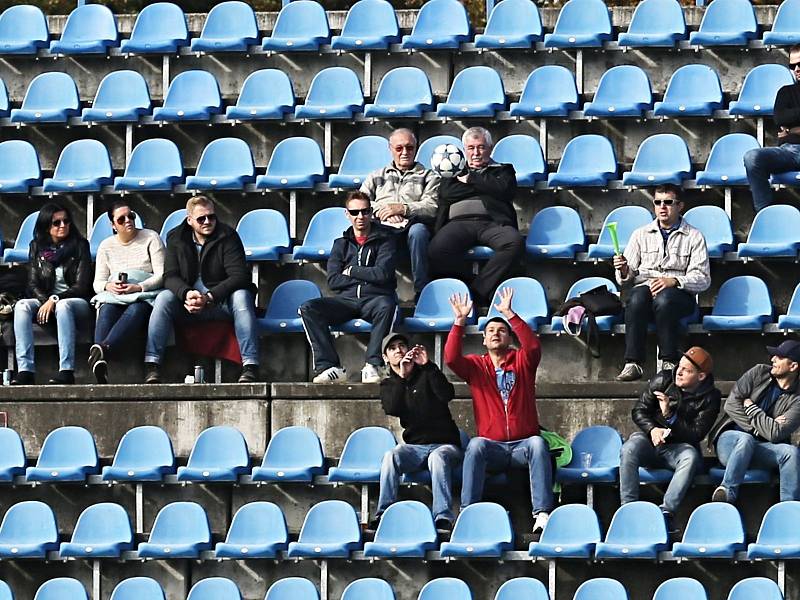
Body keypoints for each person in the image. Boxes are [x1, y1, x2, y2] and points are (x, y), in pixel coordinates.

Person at [446, 287, 553, 535]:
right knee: (475, 445)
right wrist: (459, 322)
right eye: (491, 331)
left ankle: (542, 513)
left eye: (502, 330)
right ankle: (467, 512)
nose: (496, 333)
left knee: (538, 443)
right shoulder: (476, 366)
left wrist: (509, 314)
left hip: (522, 445)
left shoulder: (521, 361)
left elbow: (534, 347)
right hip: (493, 447)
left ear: (509, 337)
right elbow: (451, 359)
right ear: (483, 339)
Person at [143, 195, 259, 384]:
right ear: (189, 220)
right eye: (201, 218)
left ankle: (250, 366)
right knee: (163, 298)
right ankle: (152, 365)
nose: (207, 222)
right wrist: (186, 294)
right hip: (188, 304)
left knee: (242, 297)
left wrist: (209, 297)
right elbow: (170, 276)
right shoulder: (176, 237)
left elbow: (239, 276)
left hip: (220, 302)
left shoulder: (227, 235)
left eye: (211, 217)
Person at [613, 185, 710, 381]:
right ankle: (633, 363)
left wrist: (673, 281)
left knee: (665, 300)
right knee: (636, 296)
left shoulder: (694, 236)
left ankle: (669, 361)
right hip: (647, 291)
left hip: (680, 295)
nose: (662, 207)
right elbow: (626, 277)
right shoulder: (640, 234)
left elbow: (703, 279)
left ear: (680, 206)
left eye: (668, 202)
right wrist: (623, 270)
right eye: (658, 202)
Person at [300, 191, 397, 384]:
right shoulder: (340, 244)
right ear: (347, 214)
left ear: (371, 213)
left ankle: (373, 364)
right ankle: (330, 367)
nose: (360, 217)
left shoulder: (386, 240)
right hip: (347, 301)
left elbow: (383, 274)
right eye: (355, 212)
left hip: (375, 300)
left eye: (365, 211)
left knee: (387, 305)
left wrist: (352, 270)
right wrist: (368, 275)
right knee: (308, 308)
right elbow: (333, 281)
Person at [619, 347, 721, 531]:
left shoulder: (711, 397)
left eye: (687, 370)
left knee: (690, 457)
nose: (679, 372)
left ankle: (666, 513)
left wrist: (670, 417)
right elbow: (639, 410)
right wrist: (652, 430)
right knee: (630, 447)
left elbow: (696, 434)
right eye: (679, 367)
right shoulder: (663, 379)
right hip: (651, 442)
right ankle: (628, 508)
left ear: (701, 376)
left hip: (679, 448)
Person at [374, 333, 462, 530]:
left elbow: (447, 394)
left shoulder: (427, 373)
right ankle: (383, 513)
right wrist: (402, 378)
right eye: (392, 348)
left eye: (402, 345)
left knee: (437, 458)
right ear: (386, 358)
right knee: (391, 456)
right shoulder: (389, 385)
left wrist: (428, 365)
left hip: (445, 445)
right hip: (415, 447)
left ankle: (443, 517)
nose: (399, 350)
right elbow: (393, 408)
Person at [427, 127, 522, 305]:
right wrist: (487, 186)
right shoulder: (451, 169)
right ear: (464, 150)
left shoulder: (503, 170)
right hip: (458, 224)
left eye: (481, 147)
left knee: (514, 243)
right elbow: (448, 193)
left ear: (490, 148)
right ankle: (467, 283)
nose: (476, 153)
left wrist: (472, 180)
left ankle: (477, 291)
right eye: (471, 148)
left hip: (493, 224)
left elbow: (505, 190)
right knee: (436, 250)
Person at [708, 341, 800, 504]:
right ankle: (727, 492)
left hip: (761, 448)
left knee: (790, 452)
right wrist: (759, 428)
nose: (773, 359)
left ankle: (789, 509)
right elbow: (731, 405)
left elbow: (775, 433)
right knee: (746, 439)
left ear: (793, 366)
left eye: (779, 357)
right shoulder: (758, 372)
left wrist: (751, 408)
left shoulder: (797, 399)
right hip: (731, 442)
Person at [12, 203, 92, 385]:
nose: (63, 225)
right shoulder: (36, 247)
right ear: (46, 226)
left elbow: (81, 285)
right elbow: (32, 283)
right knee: (22, 306)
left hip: (75, 302)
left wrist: (55, 299)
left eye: (66, 221)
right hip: (46, 301)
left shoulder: (80, 246)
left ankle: (66, 370)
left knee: (63, 306)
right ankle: (25, 370)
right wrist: (45, 301)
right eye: (57, 223)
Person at [89, 201, 165, 384]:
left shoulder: (151, 237)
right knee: (106, 308)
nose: (128, 221)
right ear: (113, 225)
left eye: (130, 216)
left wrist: (139, 287)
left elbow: (162, 274)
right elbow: (97, 282)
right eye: (121, 219)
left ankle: (103, 350)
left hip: (143, 294)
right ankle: (100, 361)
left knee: (137, 309)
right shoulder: (106, 246)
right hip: (116, 295)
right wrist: (109, 286)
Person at [360, 128, 439, 299]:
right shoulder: (375, 176)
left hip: (412, 227)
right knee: (373, 233)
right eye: (399, 148)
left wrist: (403, 209)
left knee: (419, 232)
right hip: (383, 226)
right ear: (390, 149)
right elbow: (360, 202)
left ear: (416, 148)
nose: (405, 152)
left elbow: (432, 206)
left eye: (410, 148)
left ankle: (421, 291)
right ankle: (379, 293)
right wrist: (384, 211)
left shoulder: (429, 176)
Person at [744, 44, 800, 212]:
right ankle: (765, 215)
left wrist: (792, 128)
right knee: (752, 157)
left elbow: (788, 120)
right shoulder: (785, 92)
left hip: (790, 142)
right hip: (790, 150)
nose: (796, 69)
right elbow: (780, 118)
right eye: (792, 66)